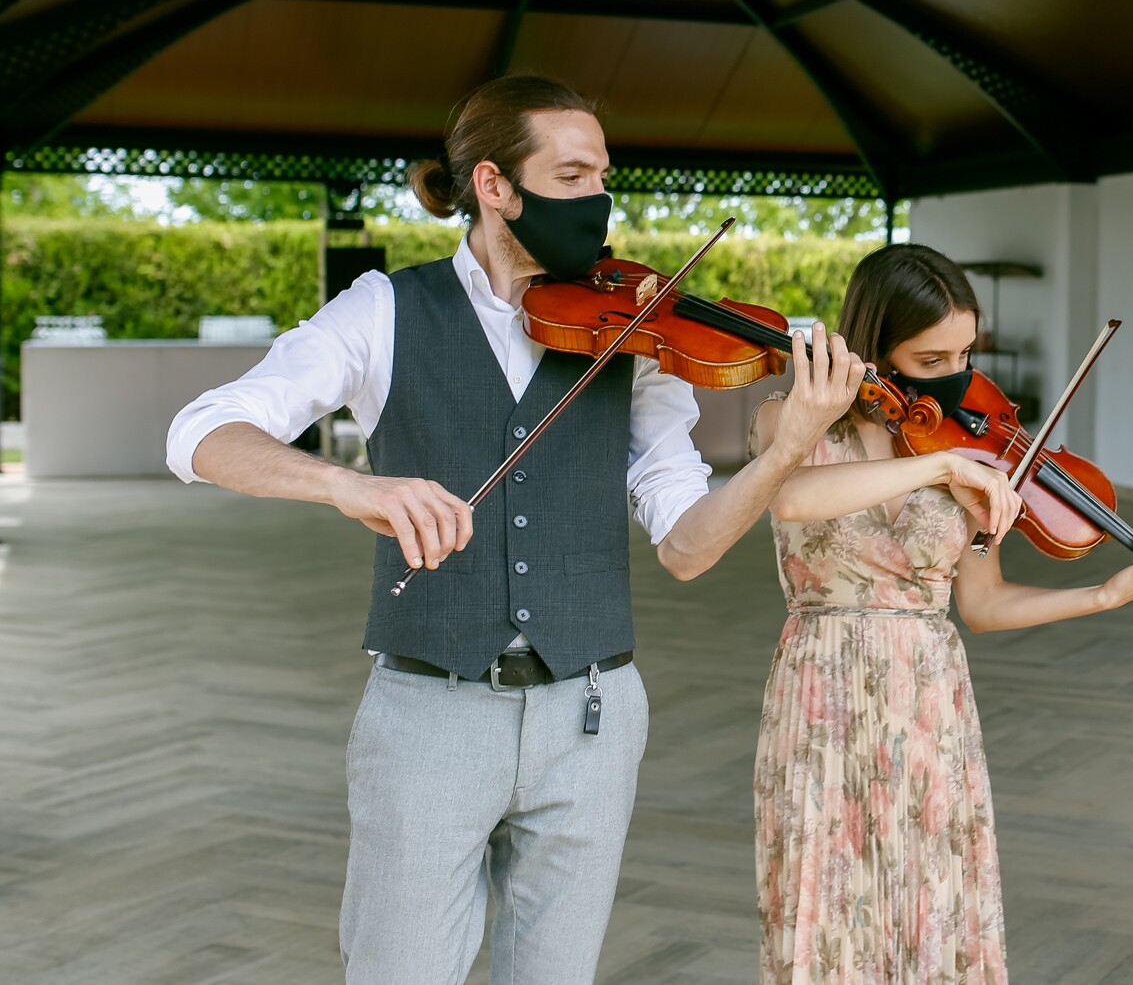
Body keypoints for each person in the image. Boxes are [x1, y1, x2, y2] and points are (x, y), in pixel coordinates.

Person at [164, 75, 865, 985]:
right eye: (571, 176)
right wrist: (345, 484)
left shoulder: (639, 331)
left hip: (593, 719)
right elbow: (201, 432)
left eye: (602, 176)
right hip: (429, 716)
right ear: (495, 185)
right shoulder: (384, 309)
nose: (597, 200)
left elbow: (689, 547)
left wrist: (788, 450)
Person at [746, 243, 1133, 984]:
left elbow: (981, 603)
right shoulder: (790, 421)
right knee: (823, 915)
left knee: (932, 907)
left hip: (927, 703)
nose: (957, 376)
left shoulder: (973, 444)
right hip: (822, 694)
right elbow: (791, 497)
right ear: (875, 347)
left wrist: (1105, 595)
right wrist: (943, 466)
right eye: (931, 359)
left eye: (965, 354)